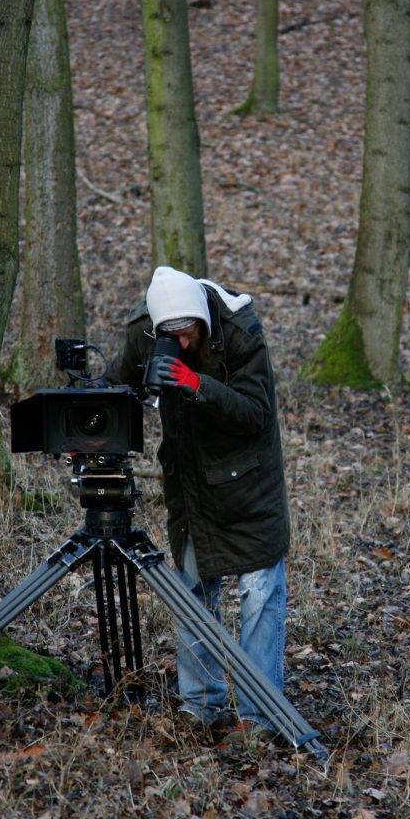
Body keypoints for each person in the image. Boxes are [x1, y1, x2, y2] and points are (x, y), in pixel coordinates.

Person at [111, 266, 291, 738]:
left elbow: (256, 413)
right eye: (171, 338)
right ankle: (201, 706)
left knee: (259, 596)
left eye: (188, 334)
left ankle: (260, 715)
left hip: (251, 481)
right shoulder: (143, 332)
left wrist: (196, 384)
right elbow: (118, 387)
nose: (181, 345)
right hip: (191, 482)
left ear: (201, 322)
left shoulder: (239, 330)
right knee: (193, 594)